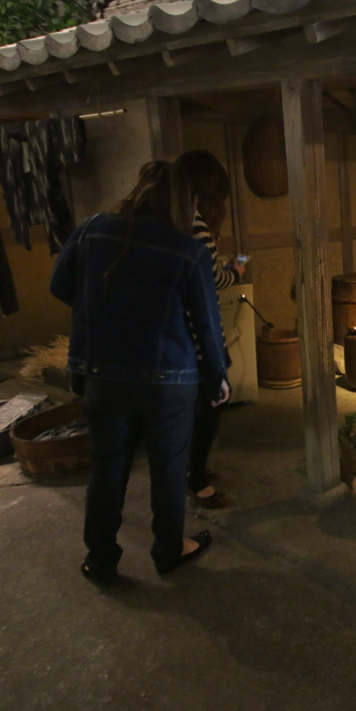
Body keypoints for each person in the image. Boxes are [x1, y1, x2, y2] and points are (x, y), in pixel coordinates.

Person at [50, 160, 230, 587]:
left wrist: (105, 307)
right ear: (185, 203)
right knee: (167, 467)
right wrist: (217, 376)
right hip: (169, 378)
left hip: (102, 374)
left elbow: (60, 286)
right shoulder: (188, 250)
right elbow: (205, 323)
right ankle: (168, 551)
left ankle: (101, 561)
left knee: (107, 466)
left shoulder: (94, 229)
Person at [175, 150, 240, 509]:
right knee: (213, 401)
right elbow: (212, 279)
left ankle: (191, 468)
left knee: (192, 406)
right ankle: (197, 480)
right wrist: (236, 271)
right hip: (198, 334)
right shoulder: (196, 222)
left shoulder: (171, 217)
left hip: (177, 334)